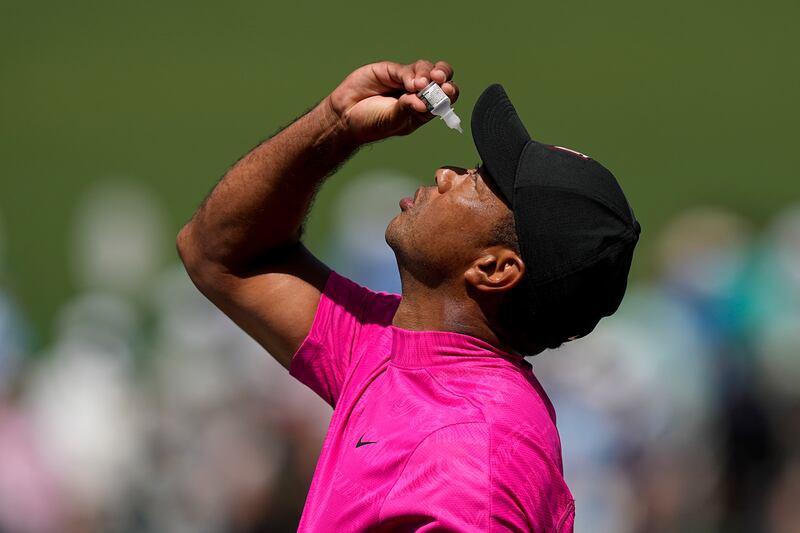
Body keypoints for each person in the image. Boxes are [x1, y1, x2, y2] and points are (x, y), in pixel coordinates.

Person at [177, 59, 640, 532]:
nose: (445, 173)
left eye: (478, 180)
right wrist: (333, 127)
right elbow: (218, 254)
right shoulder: (392, 347)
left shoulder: (473, 453)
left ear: (494, 269)